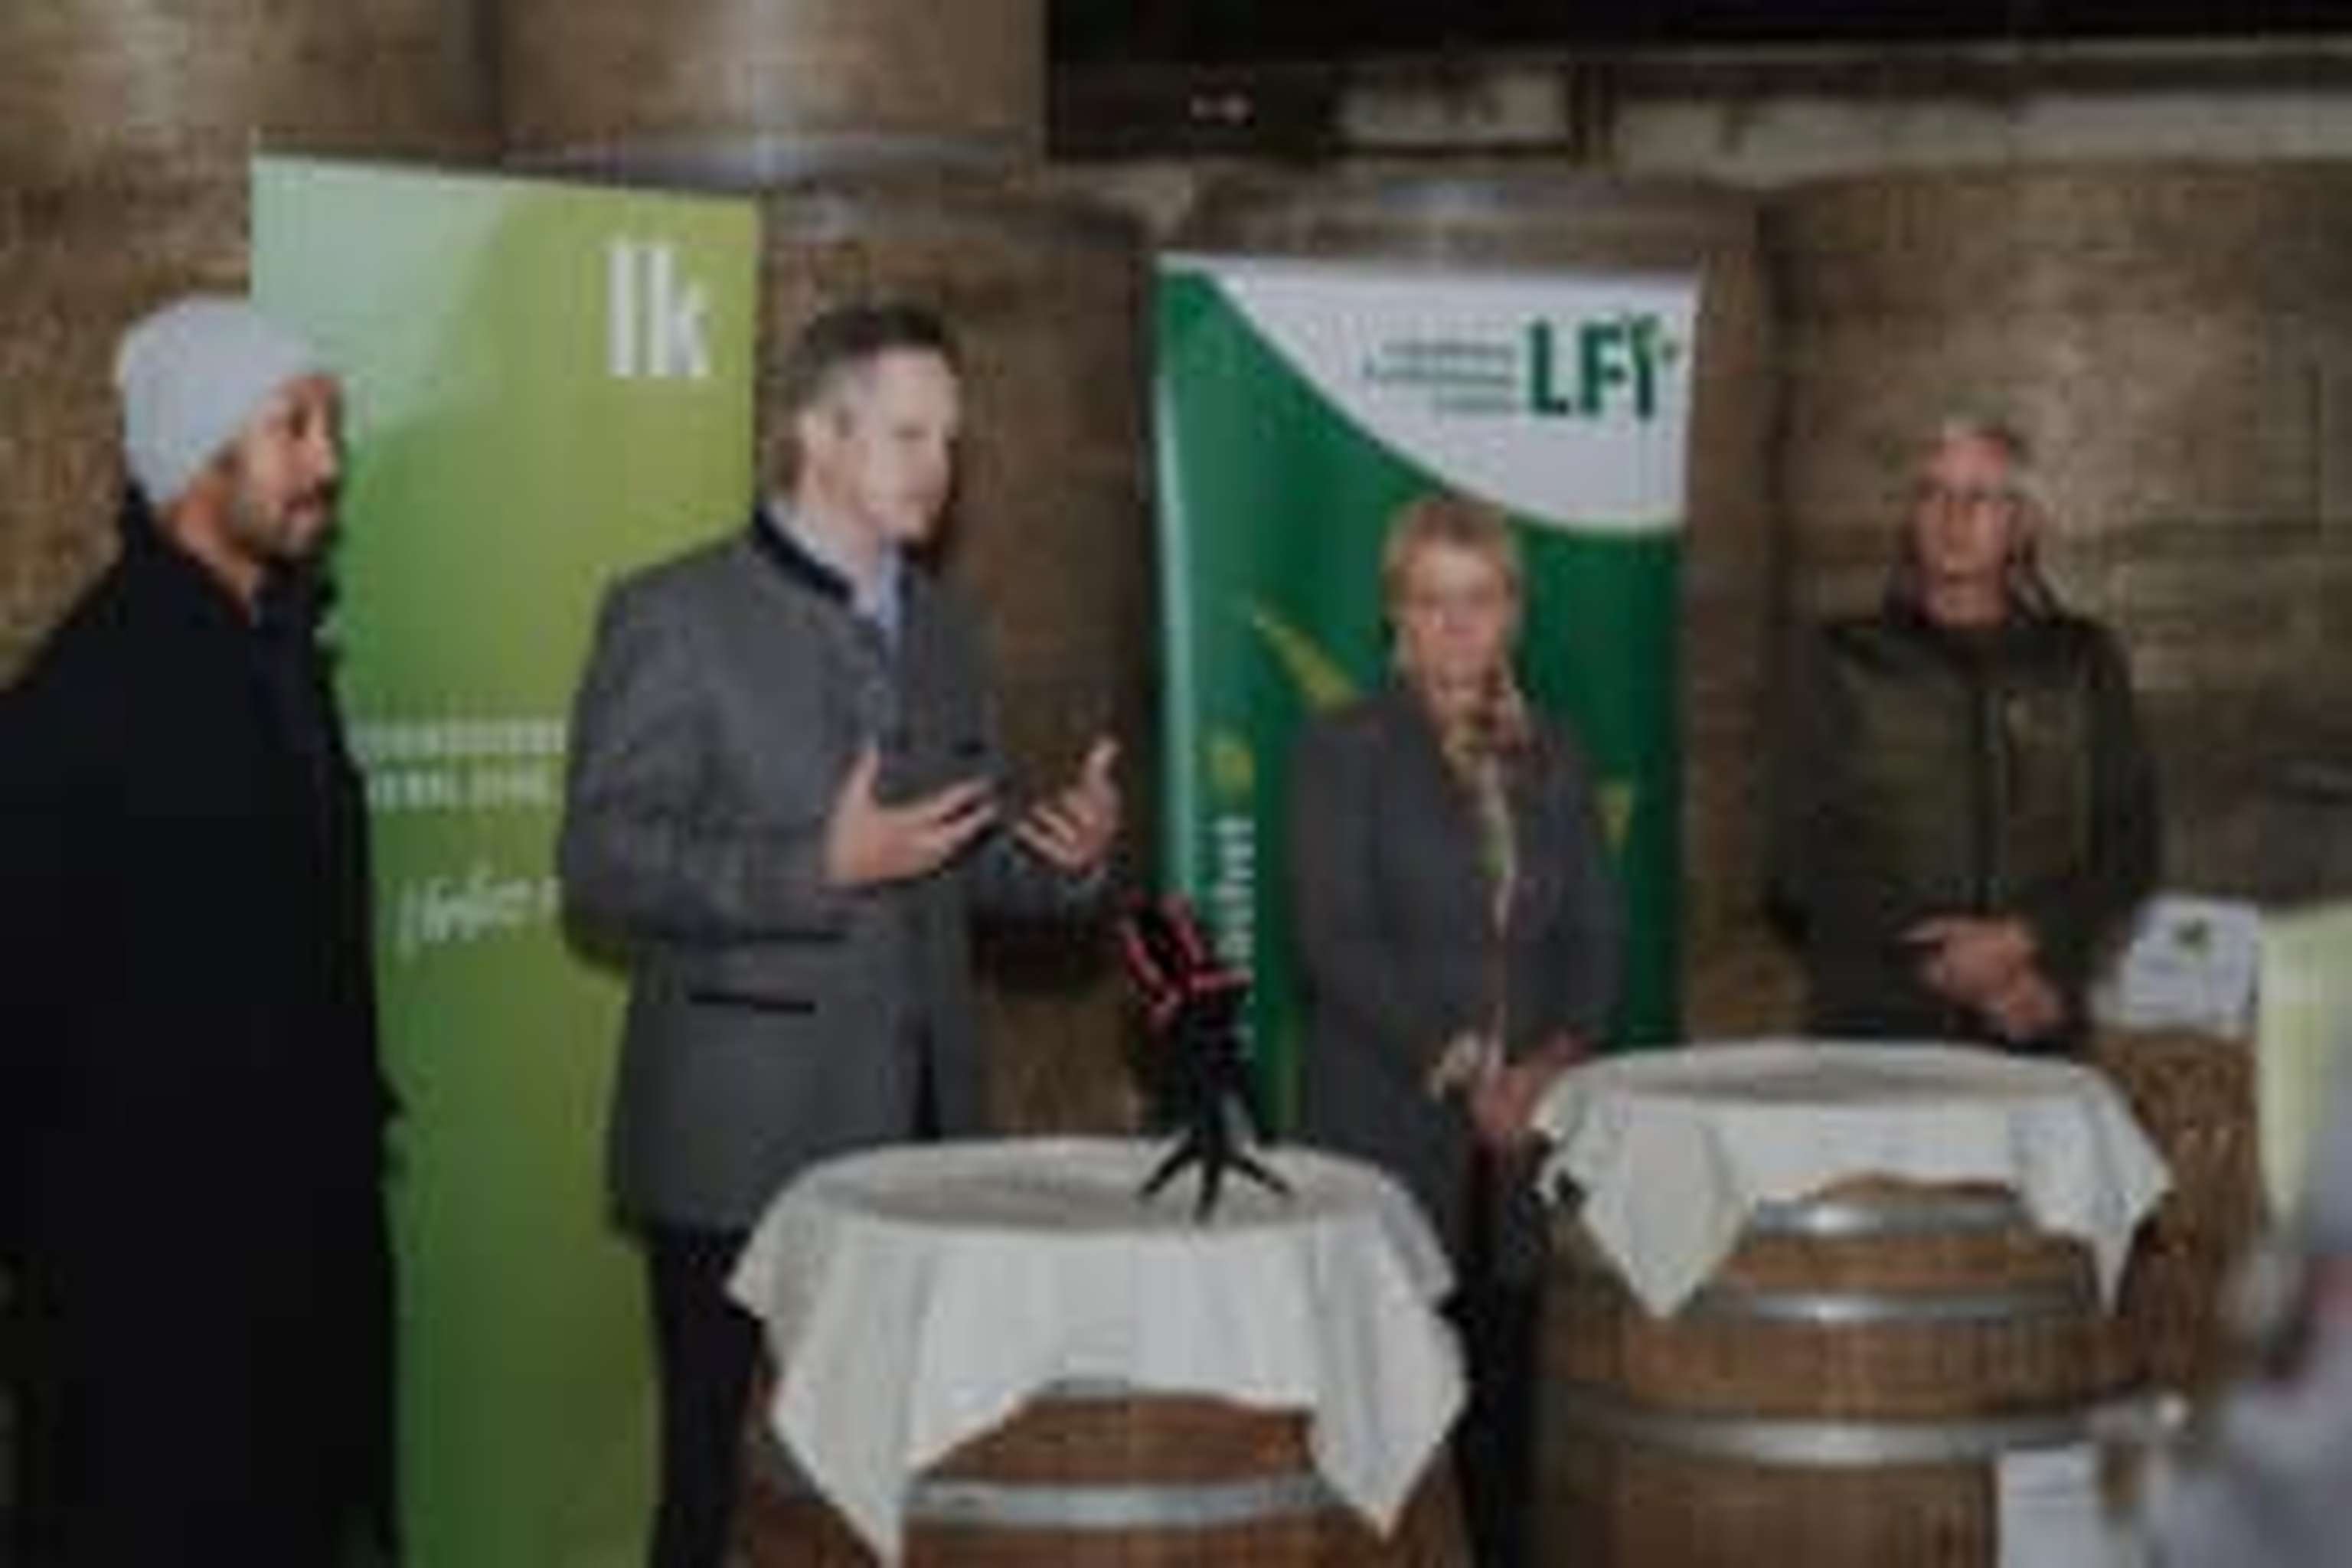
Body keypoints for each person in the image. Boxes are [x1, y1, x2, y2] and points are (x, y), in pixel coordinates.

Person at [557, 301, 1121, 1568]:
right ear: (817, 432)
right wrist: (813, 865)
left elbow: (949, 860)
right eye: (909, 432)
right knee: (720, 1491)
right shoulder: (673, 614)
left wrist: (1064, 858)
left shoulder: (946, 625)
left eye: (951, 439)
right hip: (737, 1146)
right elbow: (598, 858)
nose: (938, 464)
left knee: (891, 1503)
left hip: (923, 1136)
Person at [0, 297, 394, 1565]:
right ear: (193, 456)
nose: (328, 459)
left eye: (328, 422)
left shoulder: (278, 652)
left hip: (297, 1276)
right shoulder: (86, 697)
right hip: (150, 1307)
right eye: (292, 427)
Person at [1287, 493, 1622, 1568]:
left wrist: (1548, 1068)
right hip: (1389, 1125)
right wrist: (1469, 1070)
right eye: (1431, 602)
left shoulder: (1558, 755)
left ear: (1512, 613)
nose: (1456, 627)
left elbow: (1597, 939)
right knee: (1390, 1423)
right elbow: (1337, 944)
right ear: (1396, 613)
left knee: (1506, 1419)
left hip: (1528, 1145)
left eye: (1477, 601)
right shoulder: (1342, 748)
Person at [1770, 416, 2159, 1052]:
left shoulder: (2081, 661)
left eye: (1980, 497)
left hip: (2036, 1011)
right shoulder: (1843, 658)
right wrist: (1961, 971)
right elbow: (1801, 859)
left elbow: (2131, 842)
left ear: (2023, 525)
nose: (1953, 517)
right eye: (1933, 493)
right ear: (1910, 518)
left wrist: (2021, 942)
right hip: (1879, 1020)